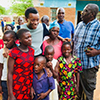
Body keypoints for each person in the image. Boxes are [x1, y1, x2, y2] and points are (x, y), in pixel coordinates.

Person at [73, 3, 100, 100]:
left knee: (88, 94)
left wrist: (96, 52)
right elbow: (74, 42)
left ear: (92, 14)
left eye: (85, 11)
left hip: (89, 67)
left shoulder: (98, 26)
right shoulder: (80, 24)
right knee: (77, 93)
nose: (82, 13)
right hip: (75, 66)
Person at [7, 29, 34, 100]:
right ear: (20, 40)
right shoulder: (13, 52)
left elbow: (31, 71)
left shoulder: (32, 51)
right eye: (27, 38)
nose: (30, 39)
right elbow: (10, 73)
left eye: (30, 37)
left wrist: (31, 87)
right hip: (17, 87)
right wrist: (10, 94)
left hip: (27, 87)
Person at [0, 30, 17, 100]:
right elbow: (0, 68)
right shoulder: (2, 52)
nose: (5, 43)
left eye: (8, 40)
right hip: (5, 80)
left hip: (17, 81)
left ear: (14, 39)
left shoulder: (19, 50)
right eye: (4, 40)